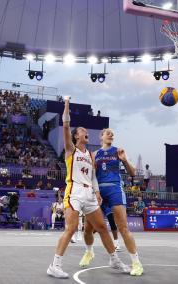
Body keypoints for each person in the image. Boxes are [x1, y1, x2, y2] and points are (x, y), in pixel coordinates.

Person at [47, 97, 129, 279]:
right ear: (77, 136)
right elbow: (66, 125)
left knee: (101, 227)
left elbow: (92, 177)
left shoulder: (90, 155)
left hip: (89, 193)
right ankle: (55, 265)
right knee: (71, 228)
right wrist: (66, 103)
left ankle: (114, 259)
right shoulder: (71, 149)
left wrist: (97, 192)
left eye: (85, 131)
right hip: (74, 191)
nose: (85, 132)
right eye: (82, 131)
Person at [80, 127, 143, 276]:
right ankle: (89, 252)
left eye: (112, 134)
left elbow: (133, 173)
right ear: (101, 137)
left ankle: (136, 263)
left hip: (115, 189)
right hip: (98, 192)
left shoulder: (118, 151)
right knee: (88, 228)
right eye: (108, 133)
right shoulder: (94, 154)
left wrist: (125, 160)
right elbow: (90, 176)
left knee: (123, 227)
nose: (111, 135)